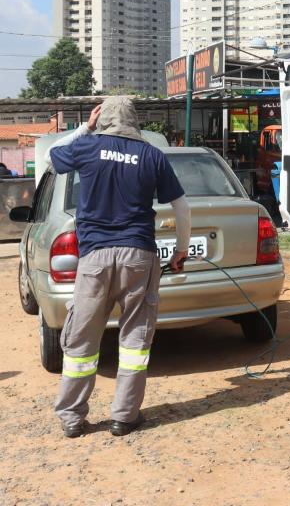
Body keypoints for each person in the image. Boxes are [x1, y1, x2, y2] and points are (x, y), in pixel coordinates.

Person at [46, 96, 191, 438]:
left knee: (82, 337)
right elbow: (181, 206)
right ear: (135, 120)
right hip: (138, 255)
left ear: (104, 119)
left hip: (95, 257)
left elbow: (54, 156)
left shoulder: (87, 146)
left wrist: (85, 127)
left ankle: (71, 417)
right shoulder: (152, 155)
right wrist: (181, 250)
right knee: (134, 340)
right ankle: (124, 417)